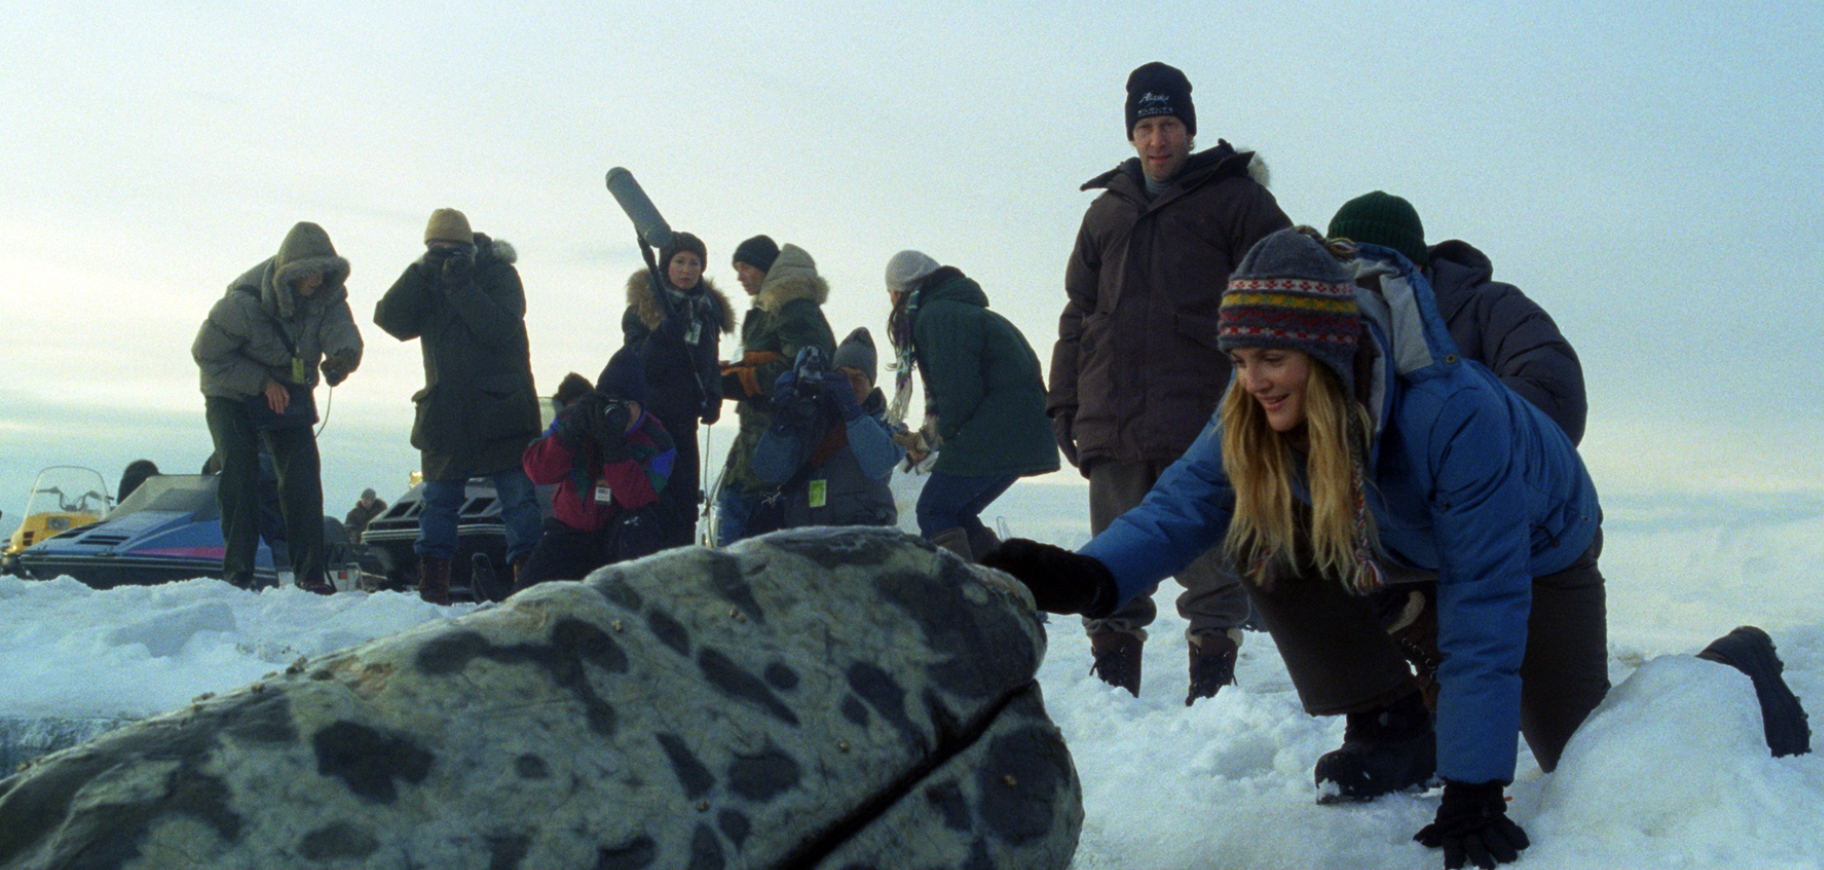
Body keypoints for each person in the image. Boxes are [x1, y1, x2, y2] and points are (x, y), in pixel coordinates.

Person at [985, 228, 1812, 869]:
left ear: (1324, 352)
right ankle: (1390, 719)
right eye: (1240, 359)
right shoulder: (1255, 406)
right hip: (1403, 541)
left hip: (1538, 551)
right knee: (1262, 535)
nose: (1254, 378)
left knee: (1586, 764)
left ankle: (1732, 671)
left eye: (1272, 357)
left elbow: (1488, 598)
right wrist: (1091, 576)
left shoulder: (1450, 414)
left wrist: (1477, 786)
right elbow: (1183, 505)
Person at [1047, 61, 1292, 701]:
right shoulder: (1106, 213)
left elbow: (1284, 292)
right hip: (1114, 414)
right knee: (1114, 559)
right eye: (1148, 127)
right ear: (1132, 135)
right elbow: (1078, 312)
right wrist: (1064, 401)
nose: (1159, 141)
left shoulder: (1238, 201)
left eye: (1171, 126)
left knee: (1212, 567)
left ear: (1190, 129)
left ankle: (1213, 692)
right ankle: (1111, 691)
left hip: (1204, 419)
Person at [373, 208, 542, 605]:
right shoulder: (427, 279)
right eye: (436, 249)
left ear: (471, 246)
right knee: (438, 504)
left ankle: (530, 586)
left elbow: (499, 327)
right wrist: (419, 272)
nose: (445, 255)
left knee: (518, 501)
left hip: (502, 411)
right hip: (446, 412)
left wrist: (463, 287)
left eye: (453, 249)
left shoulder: (498, 273)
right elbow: (390, 320)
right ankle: (432, 591)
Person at [1327, 190, 1587, 444]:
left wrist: (1426, 425)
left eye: (1369, 269)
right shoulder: (1324, 323)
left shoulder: (1492, 306)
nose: (1355, 281)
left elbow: (1556, 399)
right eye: (1338, 266)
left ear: (1414, 266)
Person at [192, 221, 362, 594]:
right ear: (290, 274)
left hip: (287, 388)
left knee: (302, 474)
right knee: (241, 471)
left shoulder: (329, 295)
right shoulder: (243, 302)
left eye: (324, 271)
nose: (317, 279)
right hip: (231, 390)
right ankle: (238, 573)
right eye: (309, 273)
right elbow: (205, 353)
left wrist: (342, 358)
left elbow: (341, 330)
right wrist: (261, 382)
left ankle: (311, 575)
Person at [885, 251, 1057, 560]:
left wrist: (933, 439)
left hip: (996, 430)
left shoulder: (938, 316)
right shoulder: (962, 311)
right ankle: (1003, 591)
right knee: (957, 513)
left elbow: (958, 395)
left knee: (934, 510)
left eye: (890, 293)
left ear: (900, 291)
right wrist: (927, 440)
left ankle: (960, 598)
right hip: (1021, 432)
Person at [519, 347, 675, 587]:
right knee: (528, 594)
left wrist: (614, 449)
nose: (620, 414)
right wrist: (570, 433)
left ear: (641, 406)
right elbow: (537, 471)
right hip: (570, 533)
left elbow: (637, 498)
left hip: (620, 537)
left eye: (628, 406)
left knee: (639, 526)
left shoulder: (658, 442)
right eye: (612, 404)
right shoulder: (573, 420)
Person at [716, 242, 836, 545]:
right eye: (736, 269)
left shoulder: (794, 308)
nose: (740, 276)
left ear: (767, 269)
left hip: (776, 443)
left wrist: (741, 379)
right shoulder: (773, 309)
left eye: (746, 267)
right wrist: (731, 370)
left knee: (743, 546)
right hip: (757, 440)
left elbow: (806, 370)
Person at [620, 231, 734, 549]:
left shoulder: (706, 312)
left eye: (695, 263)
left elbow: (708, 361)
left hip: (686, 424)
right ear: (665, 265)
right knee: (652, 500)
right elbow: (637, 366)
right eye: (680, 261)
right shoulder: (643, 309)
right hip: (649, 426)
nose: (687, 270)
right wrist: (663, 337)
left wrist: (713, 396)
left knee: (686, 503)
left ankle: (682, 572)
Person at [750, 329, 903, 530]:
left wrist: (852, 412)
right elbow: (768, 471)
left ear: (871, 384)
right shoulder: (810, 420)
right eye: (841, 376)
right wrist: (782, 422)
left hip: (860, 543)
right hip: (805, 538)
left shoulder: (890, 425)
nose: (848, 385)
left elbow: (878, 464)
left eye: (858, 378)